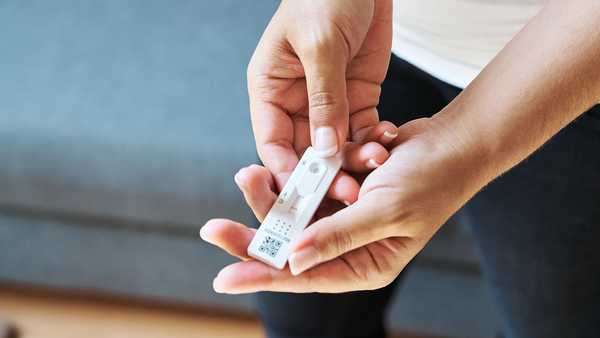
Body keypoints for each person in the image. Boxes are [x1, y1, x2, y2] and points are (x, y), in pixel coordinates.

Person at [201, 0, 600, 337]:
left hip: (563, 70)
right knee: (302, 306)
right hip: (369, 35)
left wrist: (463, 144)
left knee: (553, 320)